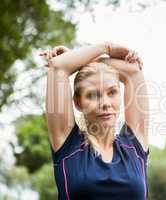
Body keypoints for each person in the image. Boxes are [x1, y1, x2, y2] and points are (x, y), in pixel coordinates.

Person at [39, 42, 149, 200]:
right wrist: (107, 48)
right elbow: (58, 66)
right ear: (77, 102)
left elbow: (133, 71)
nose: (105, 103)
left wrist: (86, 61)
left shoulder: (134, 146)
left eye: (112, 92)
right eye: (92, 95)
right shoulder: (68, 146)